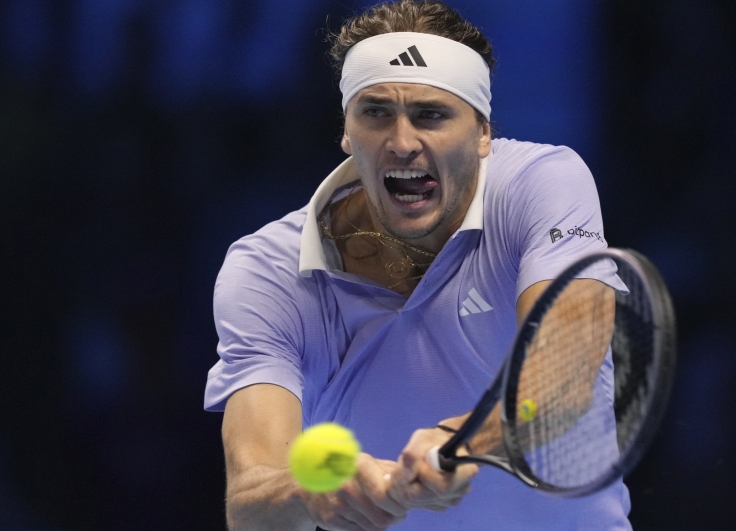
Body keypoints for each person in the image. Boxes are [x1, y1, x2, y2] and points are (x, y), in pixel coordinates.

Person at [204, 1, 631, 529]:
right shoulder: (265, 271)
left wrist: (466, 440)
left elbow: (564, 375)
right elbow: (249, 499)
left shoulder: (542, 183)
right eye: (376, 112)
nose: (403, 143)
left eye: (431, 114)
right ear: (346, 130)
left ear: (482, 135)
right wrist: (312, 492)